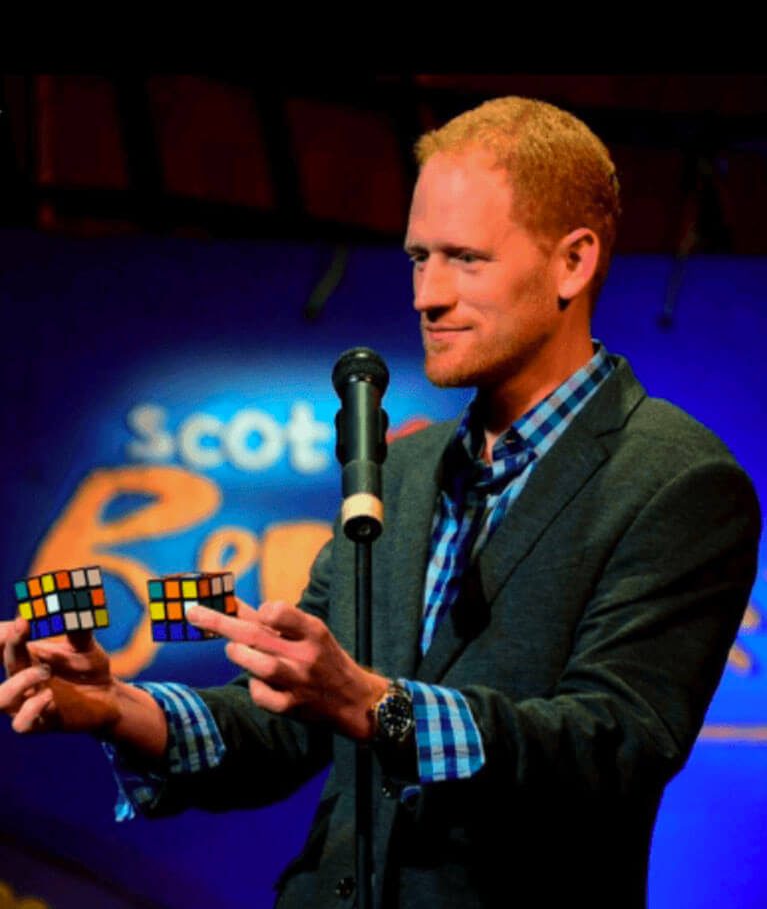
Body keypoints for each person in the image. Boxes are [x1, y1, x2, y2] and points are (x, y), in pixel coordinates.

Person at [0, 97, 761, 908]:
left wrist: (377, 704)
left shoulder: (678, 480)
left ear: (572, 262)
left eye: (465, 259)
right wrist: (120, 705)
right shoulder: (400, 472)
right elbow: (289, 724)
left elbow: (612, 745)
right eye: (416, 257)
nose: (425, 295)